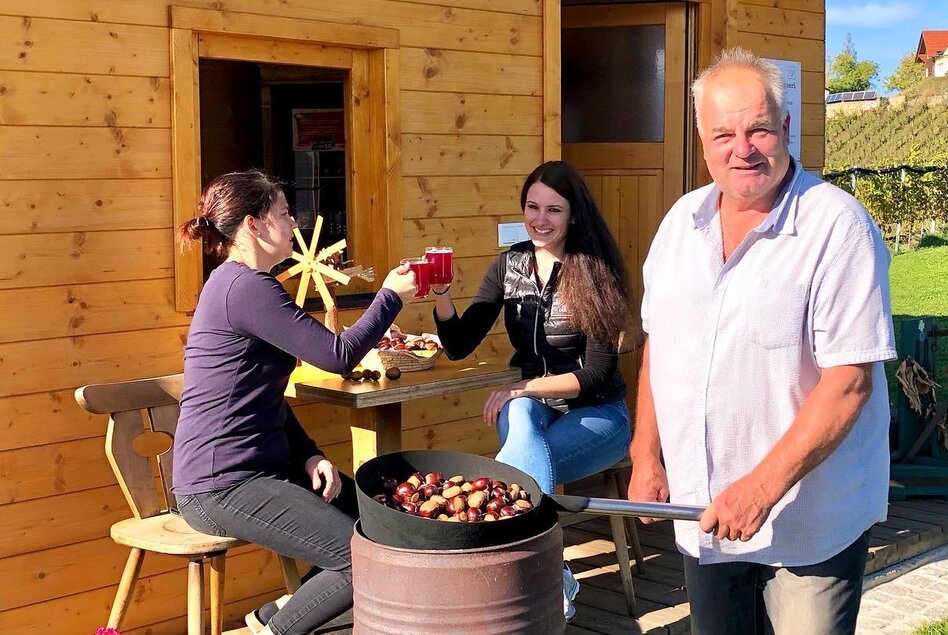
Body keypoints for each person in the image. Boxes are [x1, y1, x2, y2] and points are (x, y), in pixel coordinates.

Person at [627, 48, 897, 635]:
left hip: (808, 522)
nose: (741, 148)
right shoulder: (680, 224)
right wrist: (646, 453)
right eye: (723, 133)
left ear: (787, 129)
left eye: (758, 129)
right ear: (701, 139)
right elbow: (661, 343)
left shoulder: (836, 226)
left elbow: (849, 382)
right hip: (705, 510)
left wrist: (761, 488)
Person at [171, 170, 417, 635]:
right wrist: (389, 297)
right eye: (284, 214)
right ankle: (279, 628)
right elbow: (336, 355)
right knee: (357, 559)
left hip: (262, 469)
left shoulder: (241, 284)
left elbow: (260, 396)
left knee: (382, 527)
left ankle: (276, 614)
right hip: (218, 484)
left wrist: (308, 455)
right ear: (254, 226)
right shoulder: (245, 288)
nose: (294, 226)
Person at [431, 160, 635, 619]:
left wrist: (526, 387)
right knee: (521, 426)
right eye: (532, 207)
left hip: (598, 415)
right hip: (532, 411)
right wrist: (442, 295)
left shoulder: (596, 271)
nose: (539, 220)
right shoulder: (510, 264)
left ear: (574, 215)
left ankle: (503, 572)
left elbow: (597, 373)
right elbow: (460, 344)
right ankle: (547, 574)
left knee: (513, 467)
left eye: (553, 210)